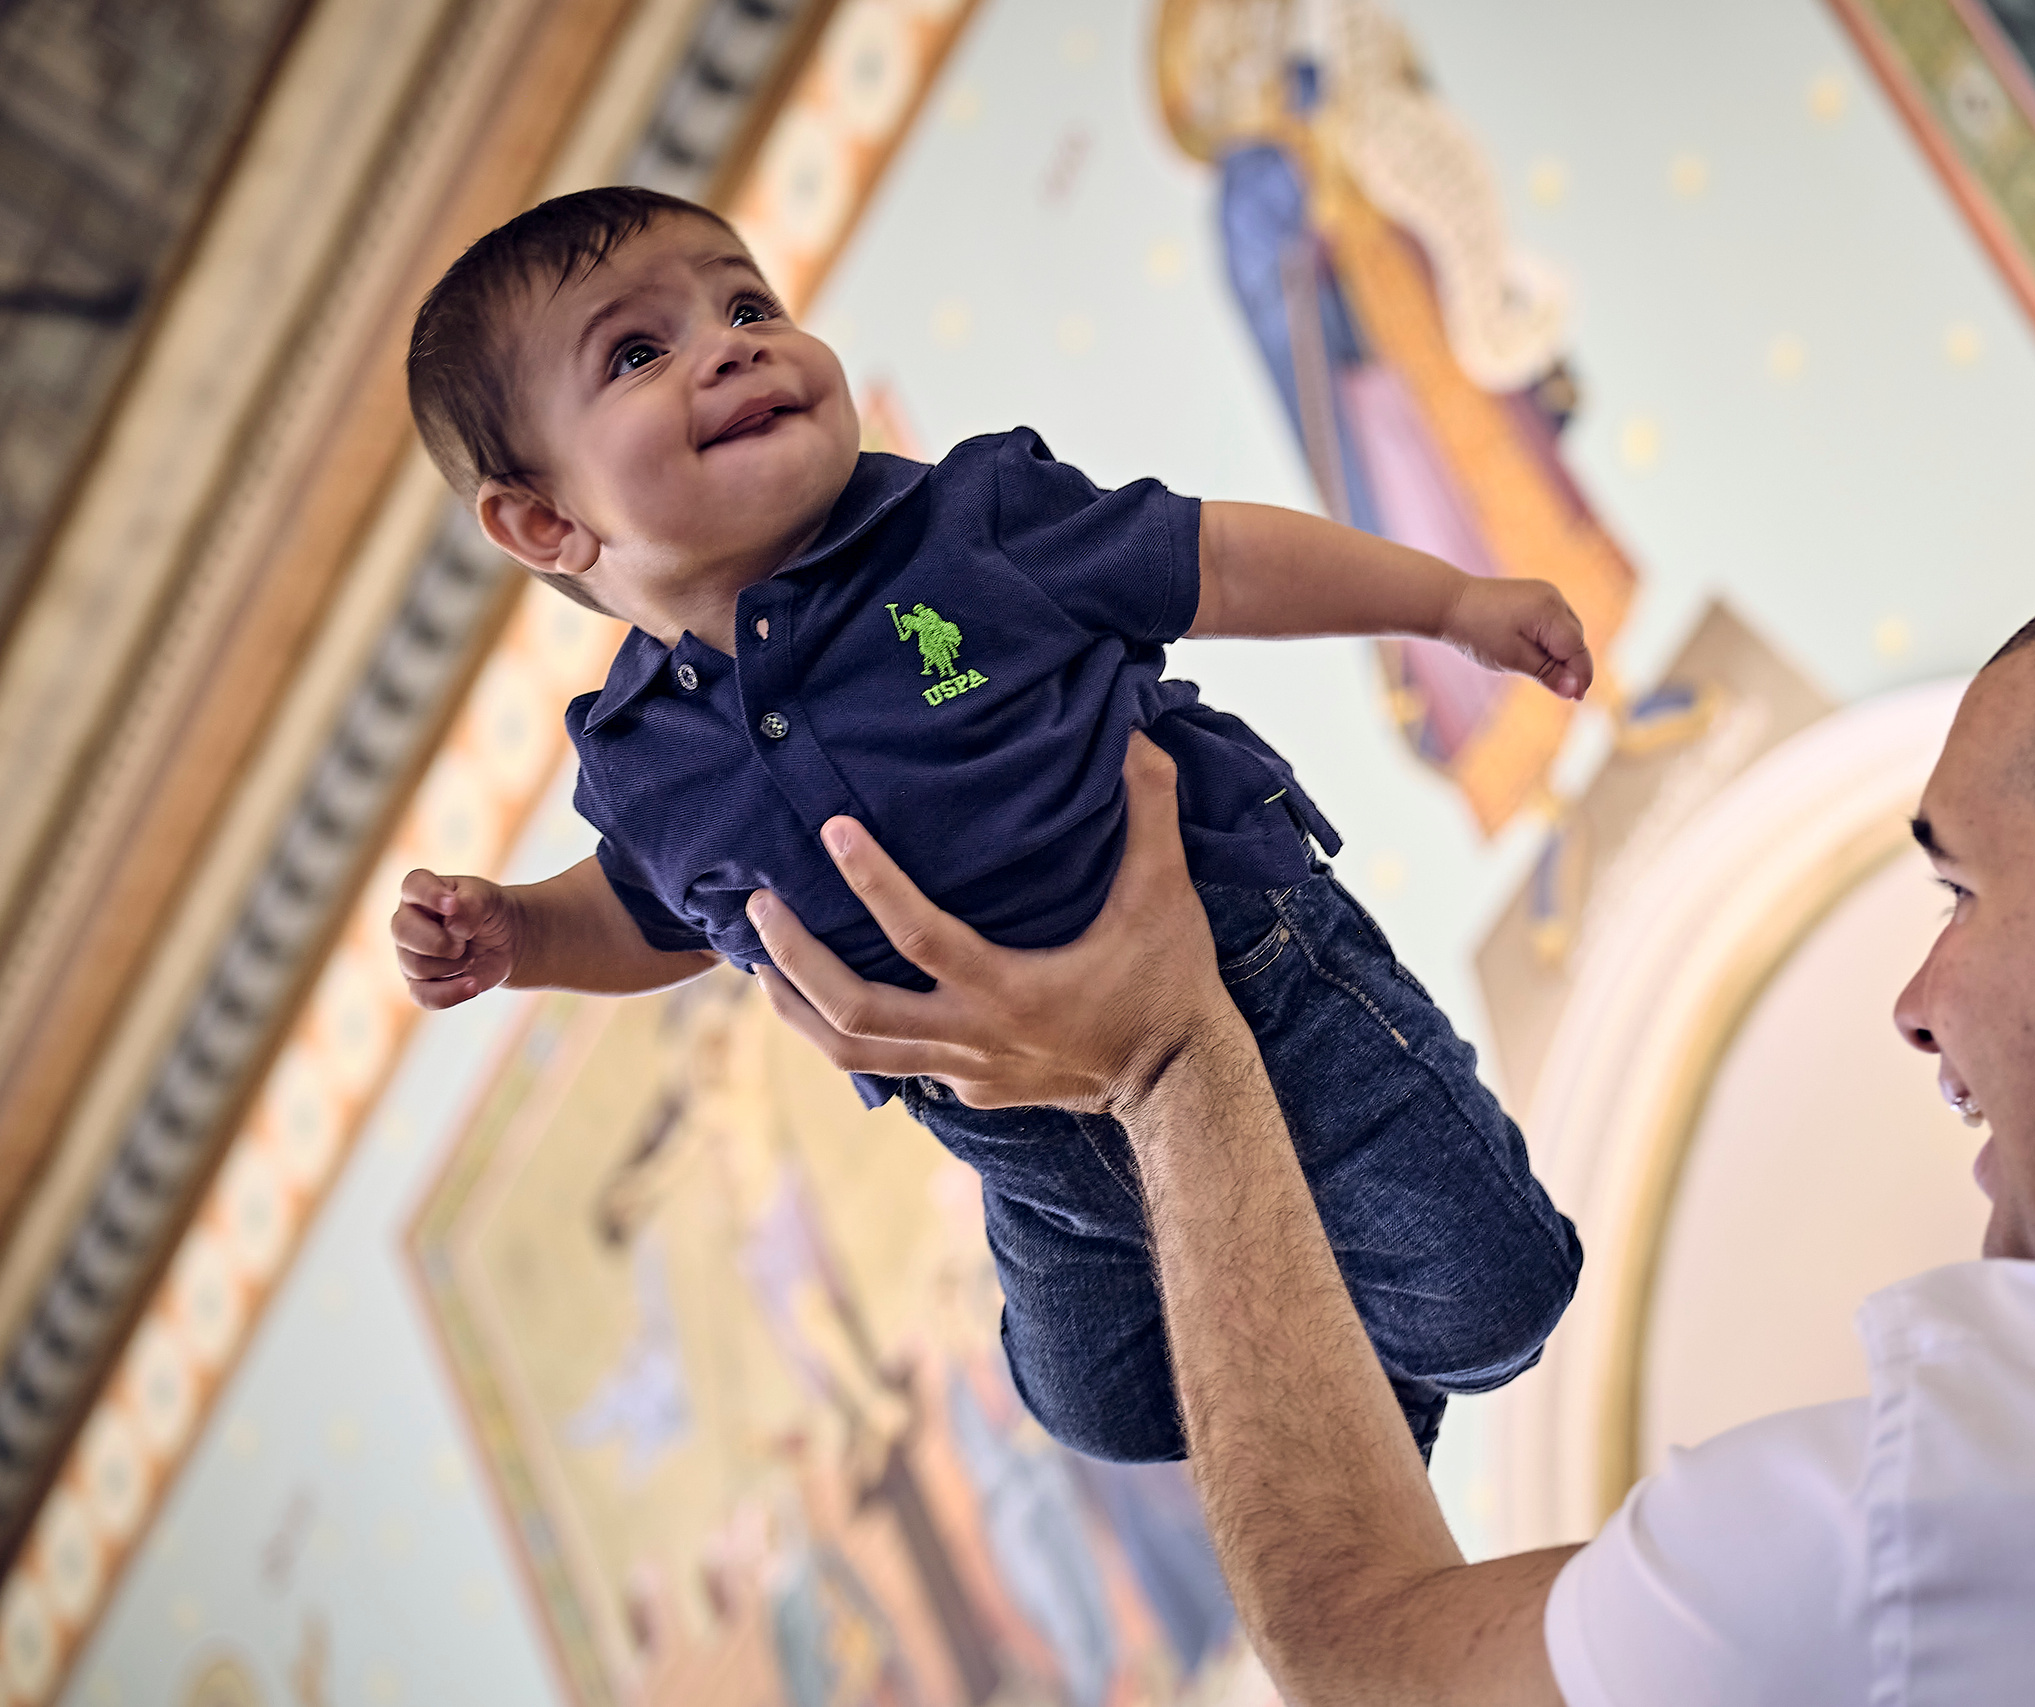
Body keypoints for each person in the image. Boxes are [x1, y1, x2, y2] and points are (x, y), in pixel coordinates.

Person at [742, 530, 2035, 1704]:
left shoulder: (1955, 1511)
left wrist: (1166, 1063)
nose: (1916, 998)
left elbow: (1376, 1659)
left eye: (1959, 891)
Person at [386, 186, 1586, 1466]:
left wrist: (1449, 605)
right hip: (1017, 1136)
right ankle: (1345, 1379)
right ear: (544, 521)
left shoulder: (971, 525)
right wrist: (521, 933)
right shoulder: (642, 760)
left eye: (747, 305)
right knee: (1108, 1413)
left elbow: (1221, 563)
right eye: (637, 352)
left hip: (1255, 987)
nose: (732, 347)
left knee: (1497, 1302)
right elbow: (648, 913)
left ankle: (1381, 1374)